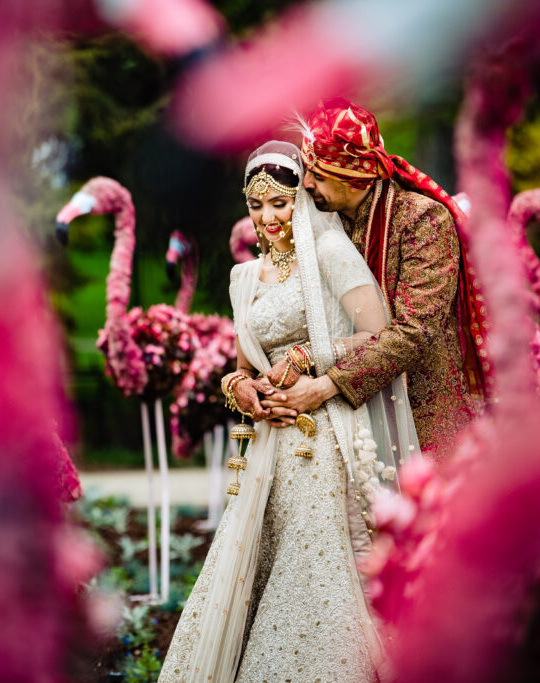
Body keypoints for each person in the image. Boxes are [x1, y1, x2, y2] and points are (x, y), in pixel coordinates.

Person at [159, 141, 419, 682]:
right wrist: (241, 391)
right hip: (266, 442)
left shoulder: (328, 253)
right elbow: (239, 367)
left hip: (320, 430)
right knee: (263, 561)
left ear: (302, 198)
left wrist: (309, 357)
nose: (268, 218)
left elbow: (377, 333)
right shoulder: (245, 278)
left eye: (279, 202)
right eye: (257, 205)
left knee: (314, 560)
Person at [261, 98, 492, 458]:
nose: (305, 184)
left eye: (318, 175)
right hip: (347, 425)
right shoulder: (322, 223)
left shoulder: (422, 221)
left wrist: (323, 388)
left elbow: (414, 331)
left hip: (425, 418)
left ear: (353, 177)